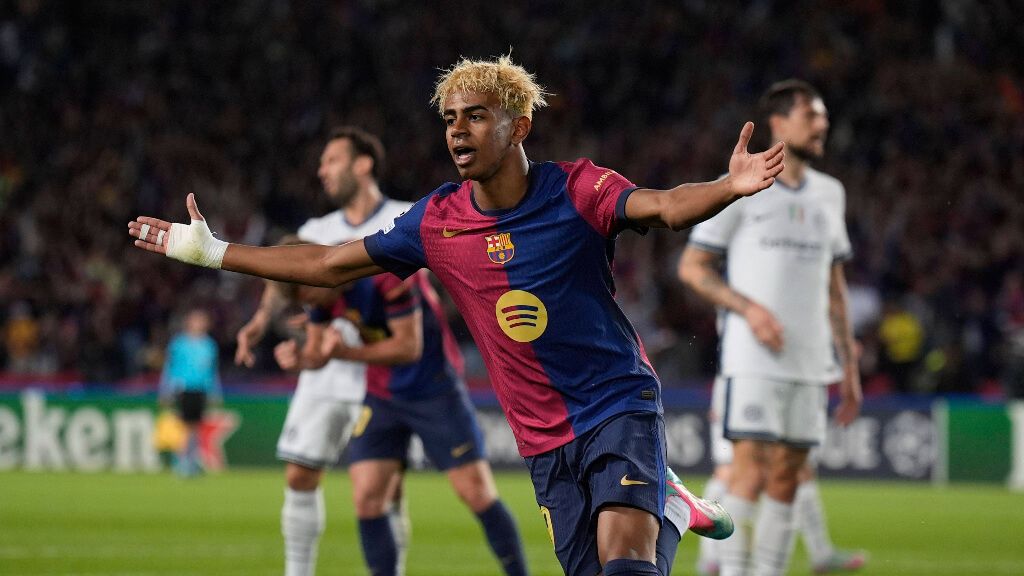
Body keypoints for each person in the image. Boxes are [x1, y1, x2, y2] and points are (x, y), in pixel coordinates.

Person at [129, 55, 784, 576]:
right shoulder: (437, 221)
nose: (457, 131)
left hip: (618, 404)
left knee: (627, 564)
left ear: (519, 125)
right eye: (450, 118)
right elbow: (328, 266)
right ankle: (670, 509)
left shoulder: (578, 189)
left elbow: (666, 205)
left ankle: (658, 509)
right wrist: (213, 253)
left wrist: (727, 186)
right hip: (543, 437)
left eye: (475, 116)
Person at [678, 79, 863, 576]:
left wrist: (848, 366)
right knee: (748, 474)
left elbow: (835, 287)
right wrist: (749, 310)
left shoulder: (830, 194)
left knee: (789, 478)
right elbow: (693, 267)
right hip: (754, 359)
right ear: (779, 124)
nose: (822, 124)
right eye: (812, 115)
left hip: (810, 362)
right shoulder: (745, 184)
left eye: (823, 116)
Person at [271, 252, 529, 576]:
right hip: (381, 396)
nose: (307, 301)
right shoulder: (321, 291)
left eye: (305, 293)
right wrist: (299, 359)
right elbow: (318, 352)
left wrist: (345, 352)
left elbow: (408, 348)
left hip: (433, 391)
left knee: (476, 492)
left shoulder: (384, 276)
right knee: (367, 495)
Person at [233, 127, 413, 576]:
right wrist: (260, 321)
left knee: (385, 488)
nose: (321, 170)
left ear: (363, 164)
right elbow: (282, 279)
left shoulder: (406, 217)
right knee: (299, 474)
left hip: (383, 371)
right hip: (325, 370)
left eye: (331, 160)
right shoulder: (316, 231)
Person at [692, 378, 867, 575]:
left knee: (797, 470)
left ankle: (820, 552)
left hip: (795, 377)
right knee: (732, 470)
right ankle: (714, 558)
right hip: (747, 376)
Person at [158, 308, 222, 477]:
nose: (199, 324)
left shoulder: (209, 345)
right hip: (183, 388)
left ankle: (191, 462)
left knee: (195, 427)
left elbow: (212, 371)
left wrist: (215, 391)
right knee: (185, 426)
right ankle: (181, 462)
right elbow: (169, 368)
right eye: (196, 320)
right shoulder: (179, 344)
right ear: (188, 322)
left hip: (201, 389)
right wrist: (165, 390)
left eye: (202, 320)